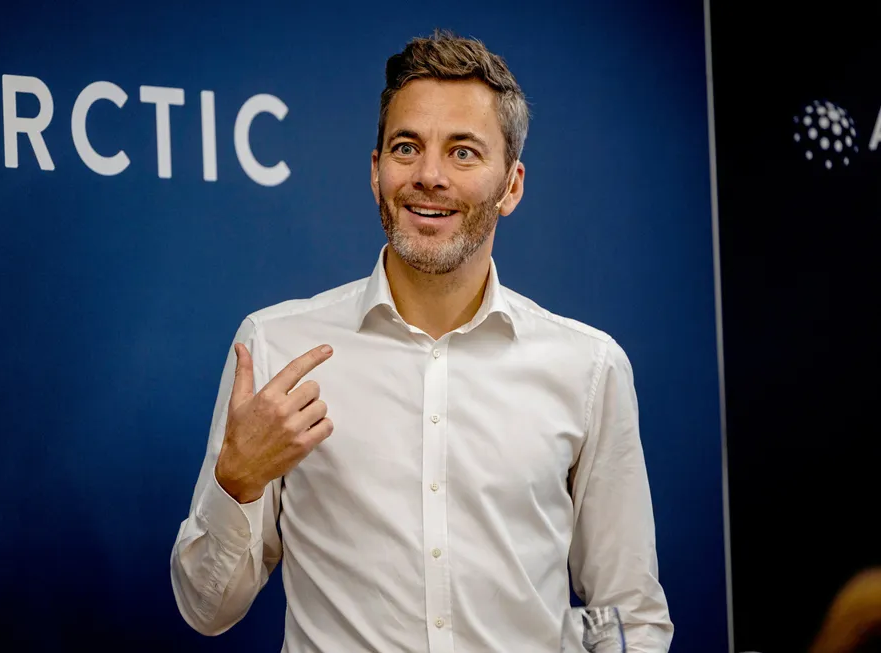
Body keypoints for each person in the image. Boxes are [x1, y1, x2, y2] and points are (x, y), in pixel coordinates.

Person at [170, 30, 673, 652]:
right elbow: (206, 609)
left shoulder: (589, 368)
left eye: (463, 153)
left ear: (511, 186)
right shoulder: (276, 348)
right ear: (375, 171)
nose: (429, 176)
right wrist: (236, 482)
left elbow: (629, 614)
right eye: (407, 148)